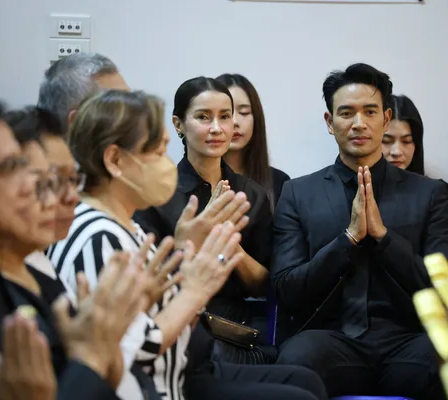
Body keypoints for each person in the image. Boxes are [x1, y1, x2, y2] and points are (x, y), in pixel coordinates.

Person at [51, 90, 327, 400]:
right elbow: (133, 350)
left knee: (306, 382)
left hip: (183, 365)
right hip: (156, 387)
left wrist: (192, 258)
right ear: (115, 160)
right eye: (157, 152)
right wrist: (194, 287)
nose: (166, 165)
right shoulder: (98, 236)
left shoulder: (125, 226)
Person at [272, 63, 448, 399]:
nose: (358, 123)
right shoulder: (298, 193)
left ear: (385, 119)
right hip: (330, 340)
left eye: (369, 112)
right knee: (295, 361)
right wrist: (347, 240)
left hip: (408, 340)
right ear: (330, 122)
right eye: (346, 113)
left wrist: (384, 238)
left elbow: (447, 289)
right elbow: (286, 289)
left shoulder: (429, 193)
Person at [0, 98, 149, 400]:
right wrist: (91, 357)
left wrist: (101, 351)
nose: (32, 188)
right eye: (11, 167)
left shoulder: (26, 277)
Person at [134, 77, 276, 365]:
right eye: (203, 117)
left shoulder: (251, 194)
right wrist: (197, 241)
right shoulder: (157, 194)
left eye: (224, 117)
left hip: (237, 331)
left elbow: (263, 285)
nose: (216, 128)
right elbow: (147, 281)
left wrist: (230, 245)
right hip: (179, 327)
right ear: (178, 124)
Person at [382, 94, 448, 274]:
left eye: (407, 141)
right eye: (386, 141)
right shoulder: (360, 192)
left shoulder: (437, 192)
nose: (396, 151)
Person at [216, 73, 290, 209]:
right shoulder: (191, 183)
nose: (235, 122)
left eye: (244, 112)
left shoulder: (279, 182)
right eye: (225, 115)